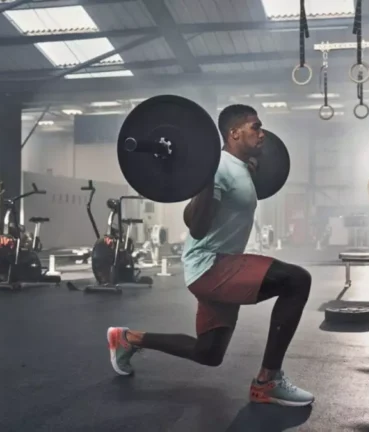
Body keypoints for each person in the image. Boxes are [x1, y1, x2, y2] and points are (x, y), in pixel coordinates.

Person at [106, 104, 315, 407]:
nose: (262, 133)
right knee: (296, 280)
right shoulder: (217, 169)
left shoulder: (238, 167)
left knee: (209, 353)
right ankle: (268, 381)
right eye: (255, 127)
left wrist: (246, 168)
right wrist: (204, 177)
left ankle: (127, 339)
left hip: (219, 267)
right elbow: (197, 225)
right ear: (233, 133)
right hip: (212, 265)